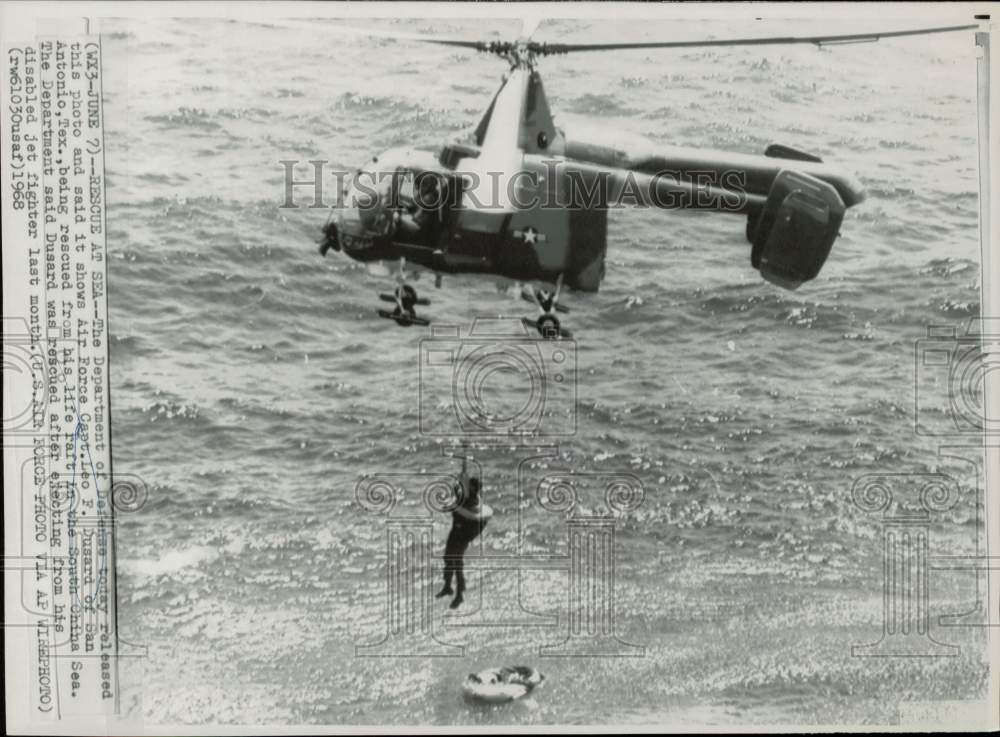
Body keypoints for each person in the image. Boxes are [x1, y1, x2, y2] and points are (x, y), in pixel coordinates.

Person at [436, 457, 493, 609]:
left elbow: (463, 493)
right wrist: (464, 459)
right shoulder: (466, 497)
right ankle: (448, 587)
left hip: (462, 535)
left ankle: (460, 594)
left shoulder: (470, 502)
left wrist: (454, 505)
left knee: (456, 563)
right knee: (448, 559)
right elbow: (463, 477)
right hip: (455, 532)